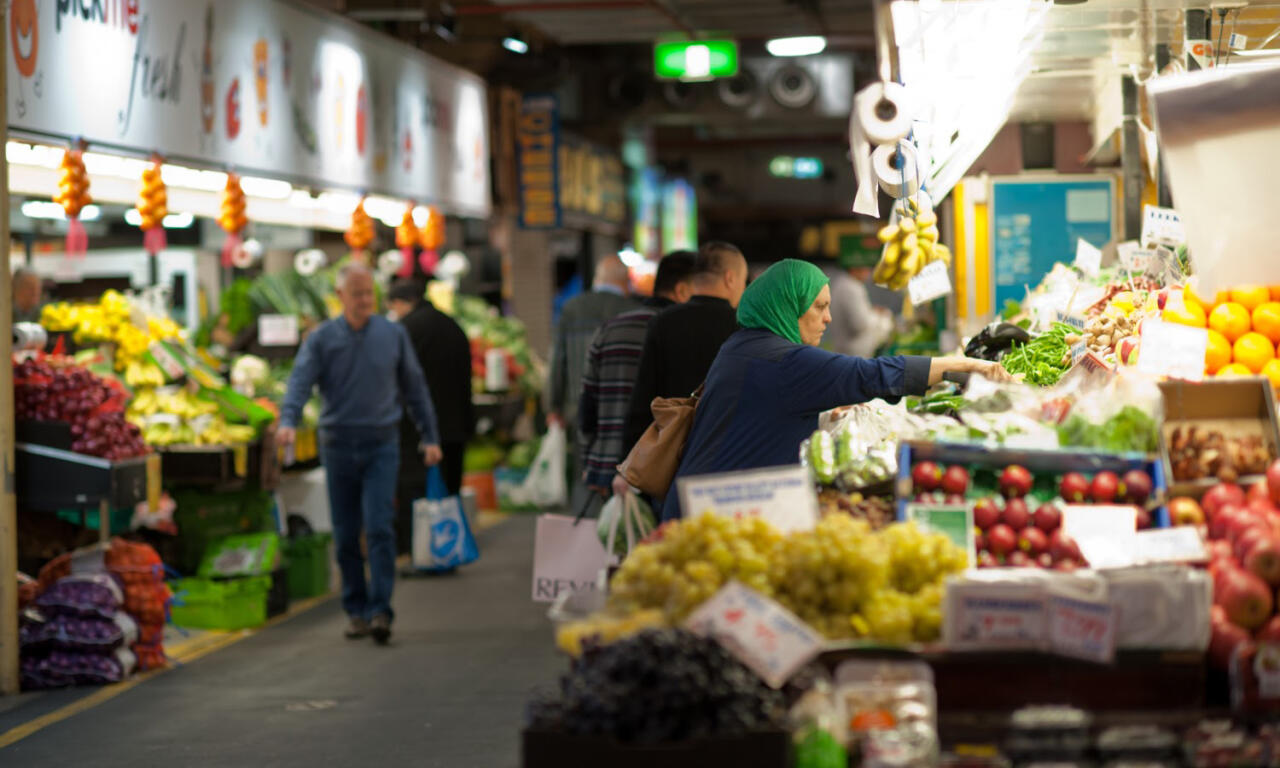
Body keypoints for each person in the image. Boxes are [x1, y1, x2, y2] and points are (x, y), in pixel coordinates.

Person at [662, 259, 1010, 520]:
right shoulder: (785, 360)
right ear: (790, 304)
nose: (827, 318)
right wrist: (968, 365)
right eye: (819, 307)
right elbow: (870, 374)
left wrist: (823, 412)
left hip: (701, 499)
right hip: (714, 514)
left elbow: (757, 410)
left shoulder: (742, 346)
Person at [278, 263, 442, 645]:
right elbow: (300, 380)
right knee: (347, 532)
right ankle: (356, 610)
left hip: (382, 444)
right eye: (357, 294)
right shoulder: (322, 339)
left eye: (369, 293)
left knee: (381, 526)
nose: (365, 300)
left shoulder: (393, 334)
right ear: (341, 296)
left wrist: (429, 436)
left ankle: (381, 609)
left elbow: (415, 388)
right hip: (337, 445)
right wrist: (288, 419)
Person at [578, 252, 698, 496]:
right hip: (663, 469)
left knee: (616, 534)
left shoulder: (611, 328)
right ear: (683, 290)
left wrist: (591, 458)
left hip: (609, 464)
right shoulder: (682, 334)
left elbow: (587, 404)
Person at [622, 242, 749, 456]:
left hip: (671, 456)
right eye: (744, 281)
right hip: (726, 453)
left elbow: (643, 399)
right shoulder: (744, 327)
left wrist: (629, 458)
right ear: (730, 278)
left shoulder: (662, 322)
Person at [387, 280, 475, 556]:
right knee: (449, 490)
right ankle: (449, 547)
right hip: (457, 422)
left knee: (417, 491)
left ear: (401, 303)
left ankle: (419, 550)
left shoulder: (406, 330)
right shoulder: (453, 325)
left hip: (419, 428)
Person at [547, 255, 639, 430]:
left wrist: (554, 407)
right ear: (625, 282)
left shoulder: (571, 309)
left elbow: (558, 361)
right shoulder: (635, 311)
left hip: (578, 409)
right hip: (624, 411)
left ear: (598, 279)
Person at [823, 257, 894, 358]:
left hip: (847, 352)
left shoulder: (844, 283)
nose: (869, 272)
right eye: (866, 268)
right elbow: (860, 324)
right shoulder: (851, 287)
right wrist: (879, 316)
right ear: (855, 268)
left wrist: (871, 311)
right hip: (854, 354)